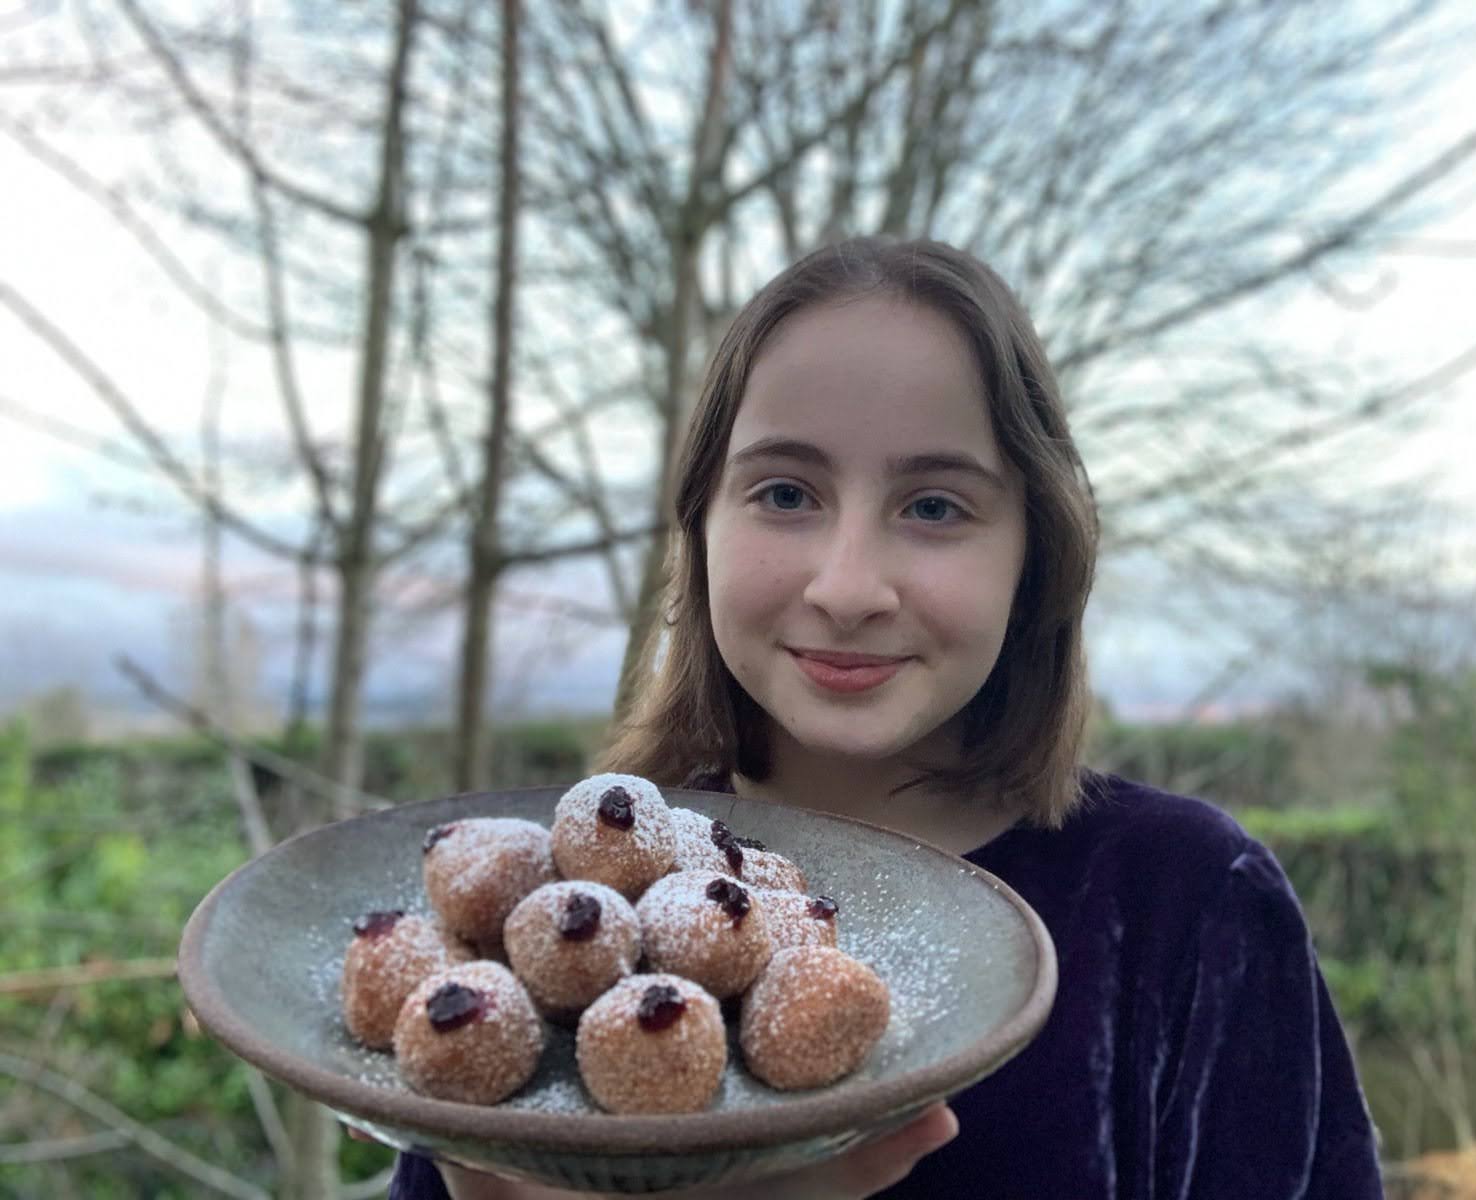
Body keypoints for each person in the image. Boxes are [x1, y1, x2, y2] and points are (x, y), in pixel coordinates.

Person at [387, 238, 1383, 1199]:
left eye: (934, 507)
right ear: (701, 528)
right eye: (785, 493)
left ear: (1034, 555)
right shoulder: (557, 921)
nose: (849, 587)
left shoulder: (1188, 904)